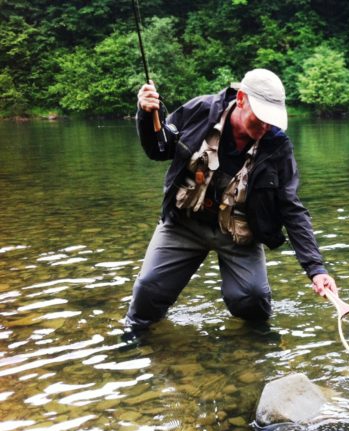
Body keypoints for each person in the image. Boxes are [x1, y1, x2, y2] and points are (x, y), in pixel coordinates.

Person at [124, 68, 337, 336]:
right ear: (240, 100)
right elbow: (159, 148)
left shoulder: (276, 145)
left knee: (253, 298)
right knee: (148, 288)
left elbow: (291, 207)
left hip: (239, 233)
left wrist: (315, 269)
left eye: (271, 120)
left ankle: (255, 345)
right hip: (184, 223)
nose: (265, 127)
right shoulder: (201, 110)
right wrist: (146, 114)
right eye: (260, 118)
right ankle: (134, 338)